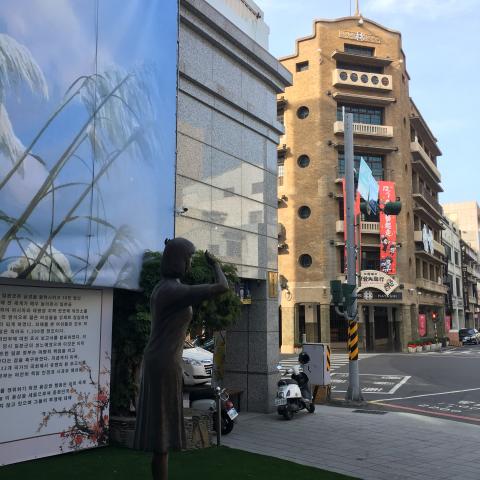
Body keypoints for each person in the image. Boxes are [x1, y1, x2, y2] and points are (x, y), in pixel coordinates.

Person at [134, 238, 229, 480]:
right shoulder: (173, 291)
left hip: (161, 359)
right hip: (165, 361)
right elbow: (222, 287)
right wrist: (215, 264)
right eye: (187, 258)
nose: (189, 263)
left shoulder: (164, 287)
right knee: (161, 435)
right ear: (179, 261)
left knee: (161, 431)